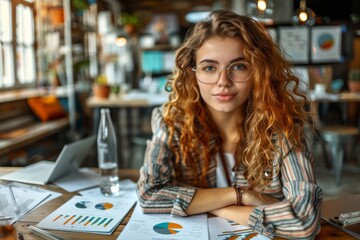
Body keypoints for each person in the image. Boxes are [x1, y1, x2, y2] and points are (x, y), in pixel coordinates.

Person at [137, 10, 322, 239]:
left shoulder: (282, 127)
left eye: (238, 66)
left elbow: (304, 221)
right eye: (209, 68)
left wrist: (207, 204)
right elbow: (149, 195)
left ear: (258, 72)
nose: (223, 82)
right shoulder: (171, 122)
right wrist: (240, 196)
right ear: (192, 73)